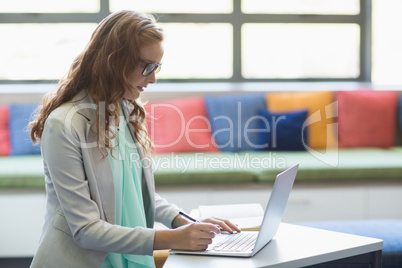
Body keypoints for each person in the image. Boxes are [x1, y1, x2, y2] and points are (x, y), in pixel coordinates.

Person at [28, 10, 240, 268]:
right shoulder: (64, 124)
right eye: (146, 67)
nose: (152, 78)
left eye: (156, 67)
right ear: (114, 61)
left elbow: (134, 193)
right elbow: (85, 230)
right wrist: (174, 238)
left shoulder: (125, 109)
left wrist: (183, 221)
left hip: (129, 255)